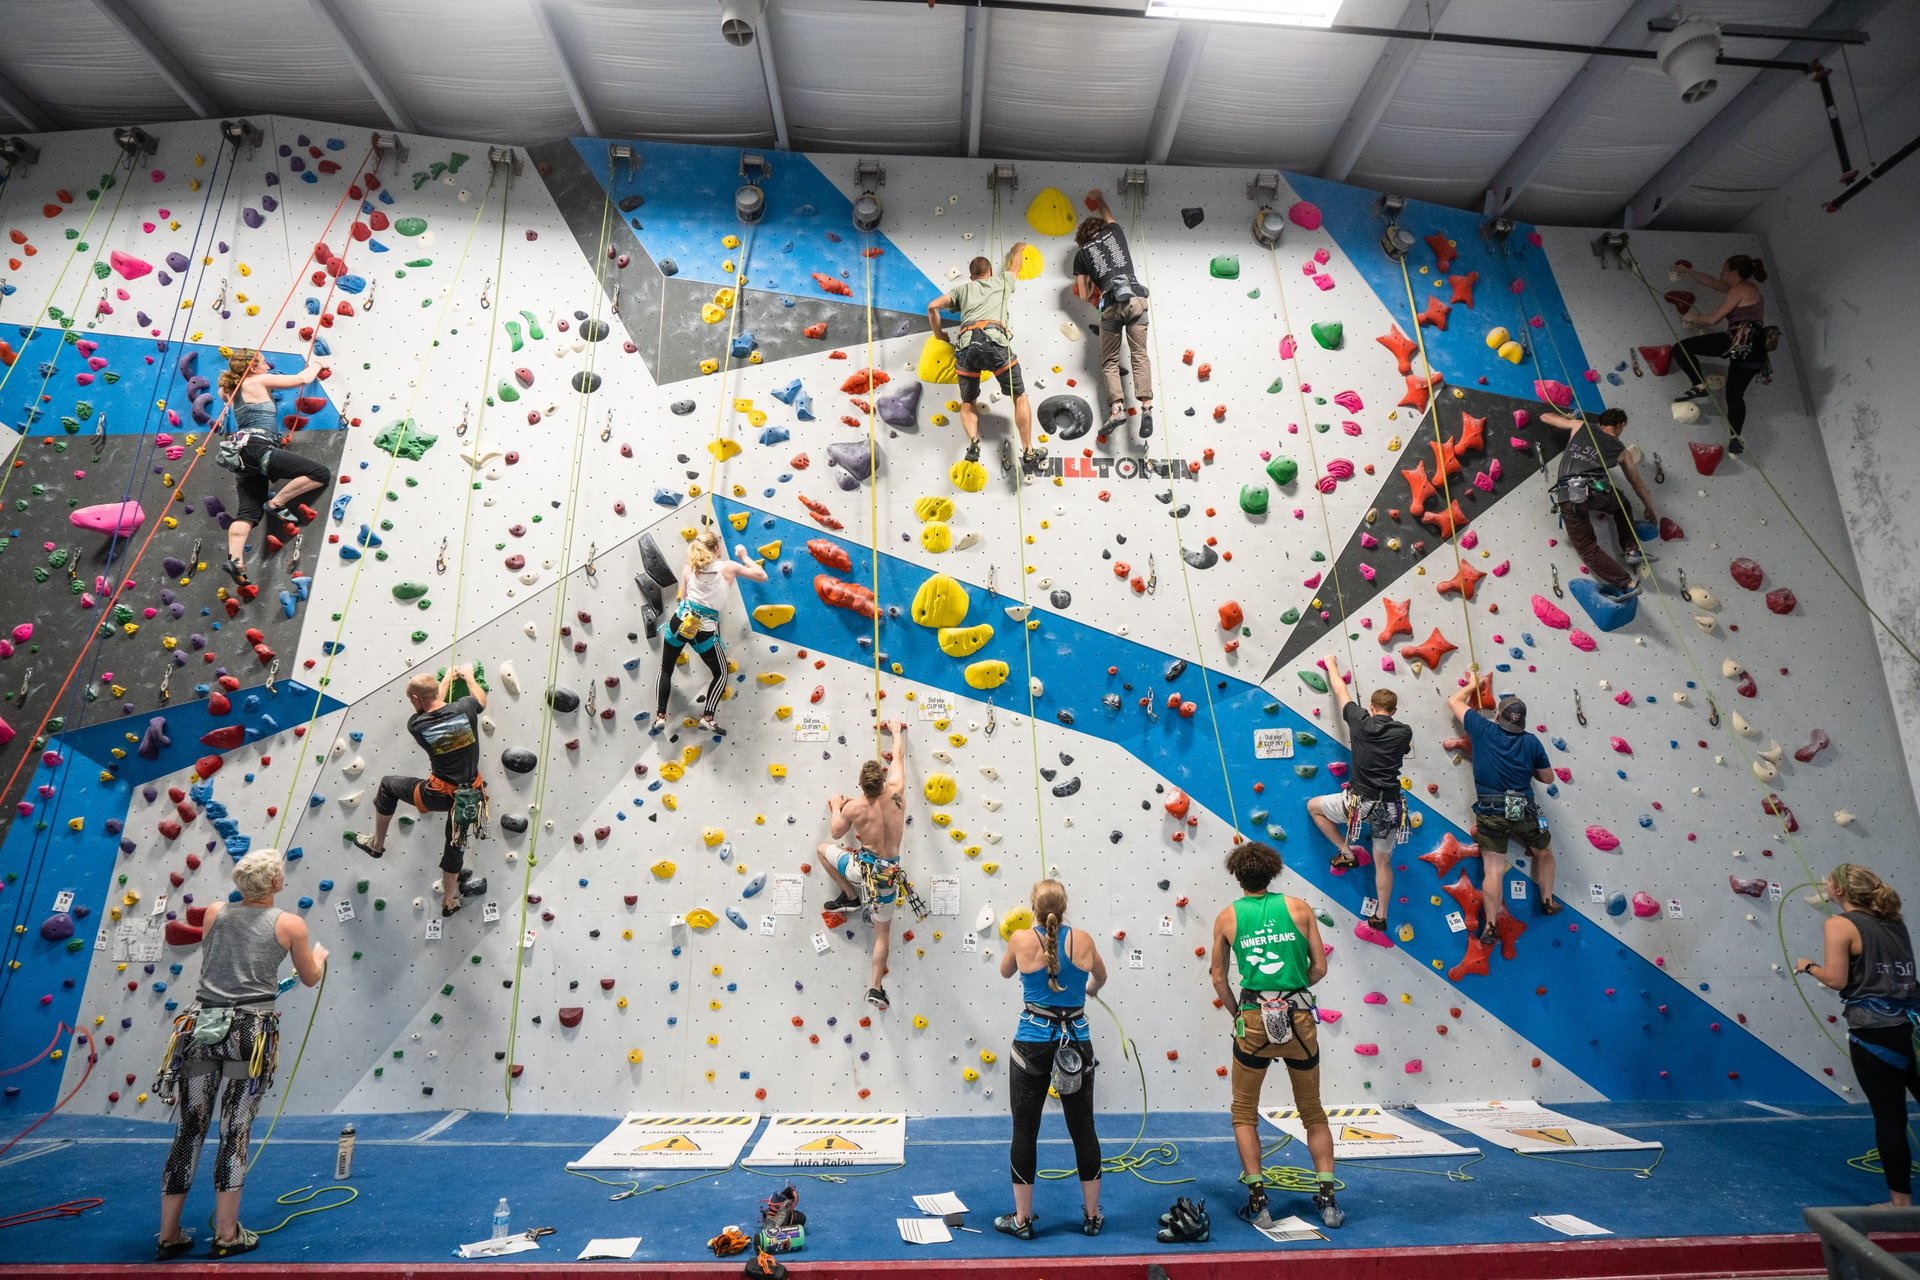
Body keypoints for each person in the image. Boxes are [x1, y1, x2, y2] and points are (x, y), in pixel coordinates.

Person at [155, 848, 327, 1260]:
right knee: (235, 1131)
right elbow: (309, 978)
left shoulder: (215, 912)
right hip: (250, 1033)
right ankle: (227, 1235)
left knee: (189, 1129)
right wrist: (318, 957)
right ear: (276, 884)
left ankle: (168, 1234)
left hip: (202, 1027)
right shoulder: (290, 925)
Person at [1209, 841, 1344, 1229]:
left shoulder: (1227, 917)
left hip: (1253, 1019)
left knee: (1244, 1112)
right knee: (1312, 1110)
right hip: (1299, 1019)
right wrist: (1295, 994)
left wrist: (1240, 1013)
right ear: (1272, 872)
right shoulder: (1299, 908)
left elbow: (1218, 977)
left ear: (1238, 876)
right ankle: (1329, 1202)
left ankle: (1258, 1202)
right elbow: (1318, 967)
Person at [1797, 863, 1920, 1205]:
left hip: (1876, 1032)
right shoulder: (1895, 923)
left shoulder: (1839, 924)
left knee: (1890, 1116)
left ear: (1839, 891)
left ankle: (1900, 1204)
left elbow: (1836, 979)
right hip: (1914, 1025)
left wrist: (1807, 966)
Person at [995, 878, 1109, 1240]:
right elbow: (1100, 977)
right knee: (1083, 1128)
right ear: (1064, 906)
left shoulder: (1022, 940)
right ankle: (1092, 1217)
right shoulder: (1085, 940)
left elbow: (1005, 971)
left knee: (1025, 1129)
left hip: (1032, 1043)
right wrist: (1085, 991)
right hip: (1075, 1041)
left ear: (1033, 906)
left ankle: (1022, 1219)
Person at [350, 663, 490, 915]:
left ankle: (377, 845)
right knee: (455, 845)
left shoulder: (417, 724)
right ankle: (448, 901)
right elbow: (480, 700)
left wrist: (446, 678)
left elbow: (434, 704)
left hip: (437, 795)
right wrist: (467, 677)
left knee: (387, 785)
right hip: (470, 796)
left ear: (415, 699)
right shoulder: (466, 708)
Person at [210, 350, 334, 587]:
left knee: (248, 512)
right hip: (258, 447)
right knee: (320, 474)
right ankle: (277, 502)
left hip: (240, 454)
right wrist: (318, 364)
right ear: (253, 368)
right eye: (262, 362)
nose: (267, 365)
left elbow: (233, 396)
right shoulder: (258, 380)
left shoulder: (227, 390)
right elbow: (301, 380)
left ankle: (236, 560)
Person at [1307, 653, 1412, 932]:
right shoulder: (1404, 732)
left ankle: (1346, 851)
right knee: (1383, 863)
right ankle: (1381, 915)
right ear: (1394, 710)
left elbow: (1340, 691)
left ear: (1372, 706)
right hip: (1389, 806)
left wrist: (1331, 664)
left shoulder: (1359, 719)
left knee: (1314, 807)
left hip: (1357, 803)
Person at [1446, 678, 1557, 939]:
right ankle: (1548, 901)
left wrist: (1474, 683)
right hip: (1523, 809)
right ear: (1522, 722)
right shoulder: (1532, 743)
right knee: (1544, 852)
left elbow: (1453, 700)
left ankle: (1491, 926)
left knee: (1493, 869)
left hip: (1491, 810)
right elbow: (1548, 778)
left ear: (1498, 716)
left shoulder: (1483, 728)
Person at [926, 245, 1046, 471]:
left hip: (967, 344)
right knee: (1019, 395)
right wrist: (1018, 249)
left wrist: (939, 334)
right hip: (994, 341)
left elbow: (933, 306)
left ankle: (973, 441)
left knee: (968, 402)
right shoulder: (1001, 282)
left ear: (972, 276)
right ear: (989, 271)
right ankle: (1029, 451)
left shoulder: (963, 289)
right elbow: (1015, 265)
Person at [819, 720, 911, 1010]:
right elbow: (898, 757)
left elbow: (835, 832)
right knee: (882, 933)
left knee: (823, 850)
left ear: (860, 784)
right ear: (882, 781)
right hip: (888, 876)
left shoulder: (854, 806)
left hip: (862, 870)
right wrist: (896, 731)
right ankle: (875, 987)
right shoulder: (897, 793)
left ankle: (849, 896)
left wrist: (837, 805)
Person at [651, 529, 768, 735]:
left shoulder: (689, 568)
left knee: (666, 668)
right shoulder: (728, 567)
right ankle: (708, 717)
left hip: (680, 622)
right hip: (703, 630)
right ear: (715, 548)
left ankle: (660, 717)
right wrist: (743, 556)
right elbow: (761, 576)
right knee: (721, 672)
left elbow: (682, 596)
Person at [1540, 406, 1658, 599]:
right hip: (1599, 491)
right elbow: (1637, 484)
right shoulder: (1622, 451)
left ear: (1601, 422)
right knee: (1621, 503)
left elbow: (1545, 416)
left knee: (1587, 547)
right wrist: (1650, 508)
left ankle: (1627, 583)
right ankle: (1631, 549)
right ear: (1621, 425)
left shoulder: (1580, 426)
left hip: (1570, 493)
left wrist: (1567, 417)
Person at [1072, 190, 1153, 441]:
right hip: (1135, 297)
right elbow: (1106, 213)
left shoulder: (1082, 253)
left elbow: (1085, 294)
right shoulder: (1114, 232)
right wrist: (1100, 200)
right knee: (1139, 354)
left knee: (1110, 361)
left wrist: (1092, 286)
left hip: (1109, 304)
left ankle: (1117, 409)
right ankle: (1147, 408)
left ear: (1082, 238)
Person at [1671, 255, 1771, 454]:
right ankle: (1735, 438)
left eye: (1724, 269)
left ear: (1733, 273)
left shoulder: (1740, 289)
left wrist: (1693, 318)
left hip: (1739, 341)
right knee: (1734, 396)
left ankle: (1699, 385)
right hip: (1754, 352)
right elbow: (1713, 282)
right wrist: (1689, 272)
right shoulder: (1747, 289)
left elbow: (1713, 319)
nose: (1721, 273)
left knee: (1680, 348)